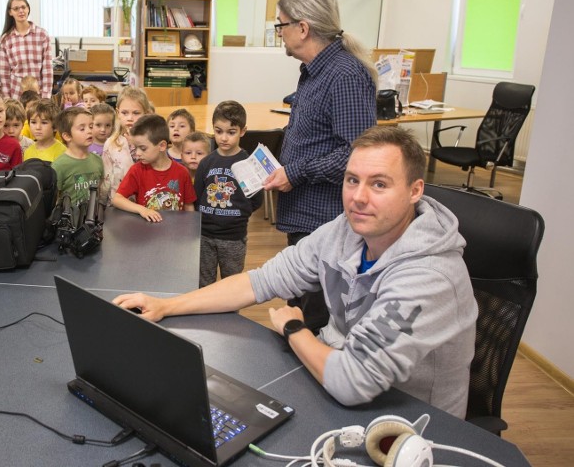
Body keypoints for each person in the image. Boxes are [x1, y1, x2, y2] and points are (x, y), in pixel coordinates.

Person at [114, 126, 478, 418]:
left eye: (379, 184)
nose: (359, 197)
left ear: (415, 191)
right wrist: (166, 306)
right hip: (340, 385)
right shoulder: (345, 230)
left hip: (411, 424)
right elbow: (260, 281)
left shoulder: (429, 276)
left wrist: (294, 328)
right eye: (352, 180)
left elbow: (353, 381)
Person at [263, 0, 377, 330]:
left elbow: (358, 153)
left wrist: (295, 172)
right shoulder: (314, 72)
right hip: (306, 217)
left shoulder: (344, 75)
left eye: (281, 24)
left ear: (303, 27)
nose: (279, 32)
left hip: (326, 222)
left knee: (314, 320)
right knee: (299, 310)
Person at [194, 101, 263, 288]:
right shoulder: (206, 163)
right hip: (205, 236)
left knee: (231, 286)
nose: (224, 138)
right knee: (204, 284)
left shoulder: (249, 164)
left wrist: (239, 214)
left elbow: (256, 199)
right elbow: (197, 196)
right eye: (218, 131)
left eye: (231, 132)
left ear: (242, 131)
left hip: (234, 237)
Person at [112, 114, 196, 222]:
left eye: (143, 148)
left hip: (175, 233)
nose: (137, 153)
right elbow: (117, 199)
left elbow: (189, 206)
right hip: (147, 233)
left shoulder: (182, 172)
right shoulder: (136, 170)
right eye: (135, 148)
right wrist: (142, 210)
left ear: (162, 146)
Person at [100, 87, 151, 206]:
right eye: (125, 113)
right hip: (118, 204)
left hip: (146, 204)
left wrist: (136, 143)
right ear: (118, 113)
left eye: (136, 113)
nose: (130, 118)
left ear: (146, 113)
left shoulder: (152, 142)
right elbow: (106, 179)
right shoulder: (111, 143)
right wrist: (102, 205)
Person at [0, 0, 53, 99]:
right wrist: (7, 99)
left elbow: (47, 69)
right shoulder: (6, 39)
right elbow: (4, 73)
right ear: (10, 12)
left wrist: (46, 97)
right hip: (16, 95)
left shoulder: (42, 35)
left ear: (28, 9)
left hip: (38, 94)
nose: (21, 11)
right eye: (16, 8)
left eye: (23, 7)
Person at [52, 107, 104, 208]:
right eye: (82, 129)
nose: (89, 131)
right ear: (67, 136)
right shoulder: (59, 166)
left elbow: (99, 190)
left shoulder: (98, 160)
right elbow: (54, 200)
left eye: (91, 126)